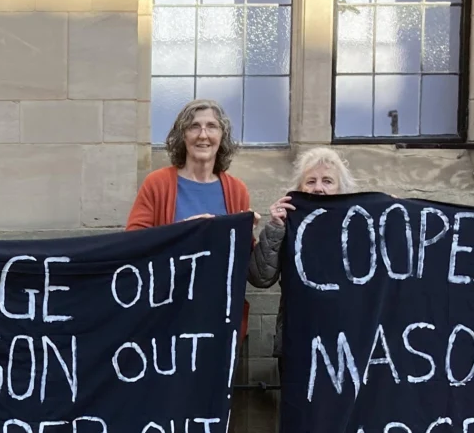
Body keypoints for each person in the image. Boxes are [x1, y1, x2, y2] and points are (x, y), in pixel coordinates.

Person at [127, 97, 285, 275]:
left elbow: (241, 261)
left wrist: (246, 234)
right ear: (183, 136)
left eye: (212, 126)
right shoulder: (157, 183)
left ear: (221, 136)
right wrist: (184, 230)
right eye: (194, 126)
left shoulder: (236, 189)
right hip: (168, 298)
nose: (203, 135)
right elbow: (132, 245)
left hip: (219, 299)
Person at [252, 147, 358, 361]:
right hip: (298, 341)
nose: (318, 188)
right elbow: (260, 278)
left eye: (327, 181)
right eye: (311, 181)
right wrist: (275, 228)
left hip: (350, 339)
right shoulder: (286, 225)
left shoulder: (358, 225)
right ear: (299, 188)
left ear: (341, 188)